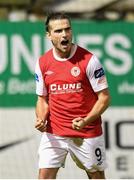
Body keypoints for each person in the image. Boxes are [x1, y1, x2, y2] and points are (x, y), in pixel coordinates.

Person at [35, 12, 110, 179]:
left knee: (97, 176)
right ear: (48, 35)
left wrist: (85, 121)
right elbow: (42, 99)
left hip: (86, 131)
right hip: (54, 132)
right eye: (58, 31)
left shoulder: (89, 60)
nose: (64, 34)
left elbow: (104, 98)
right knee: (44, 176)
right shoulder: (42, 63)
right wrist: (41, 119)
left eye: (67, 29)